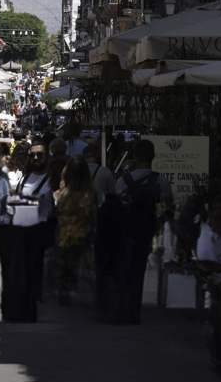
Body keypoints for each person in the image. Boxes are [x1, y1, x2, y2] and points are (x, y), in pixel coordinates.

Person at [95, 138, 163, 324]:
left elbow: (117, 207)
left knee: (123, 270)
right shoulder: (162, 181)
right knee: (138, 272)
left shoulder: (123, 181)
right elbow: (166, 210)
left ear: (133, 156)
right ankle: (135, 312)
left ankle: (122, 309)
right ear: (154, 156)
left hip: (125, 233)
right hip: (147, 234)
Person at [0, 143, 54, 322]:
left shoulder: (53, 180)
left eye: (40, 155)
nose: (36, 158)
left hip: (42, 233)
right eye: (33, 155)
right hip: (23, 233)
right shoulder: (24, 180)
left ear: (47, 157)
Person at [52, 160, 96, 302]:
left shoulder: (59, 196)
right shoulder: (93, 196)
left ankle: (64, 289)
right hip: (84, 237)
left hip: (63, 237)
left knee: (65, 264)